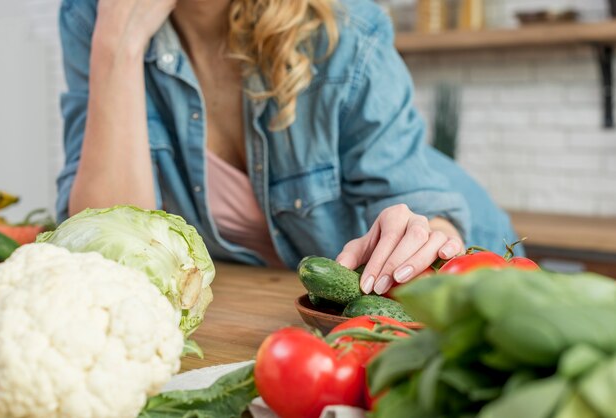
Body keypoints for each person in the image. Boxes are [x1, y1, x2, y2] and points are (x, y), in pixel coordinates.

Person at [57, 0, 520, 296]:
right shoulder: (91, 18)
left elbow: (420, 205)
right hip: (281, 304)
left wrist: (427, 235)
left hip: (473, 258)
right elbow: (108, 253)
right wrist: (118, 42)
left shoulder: (346, 26)